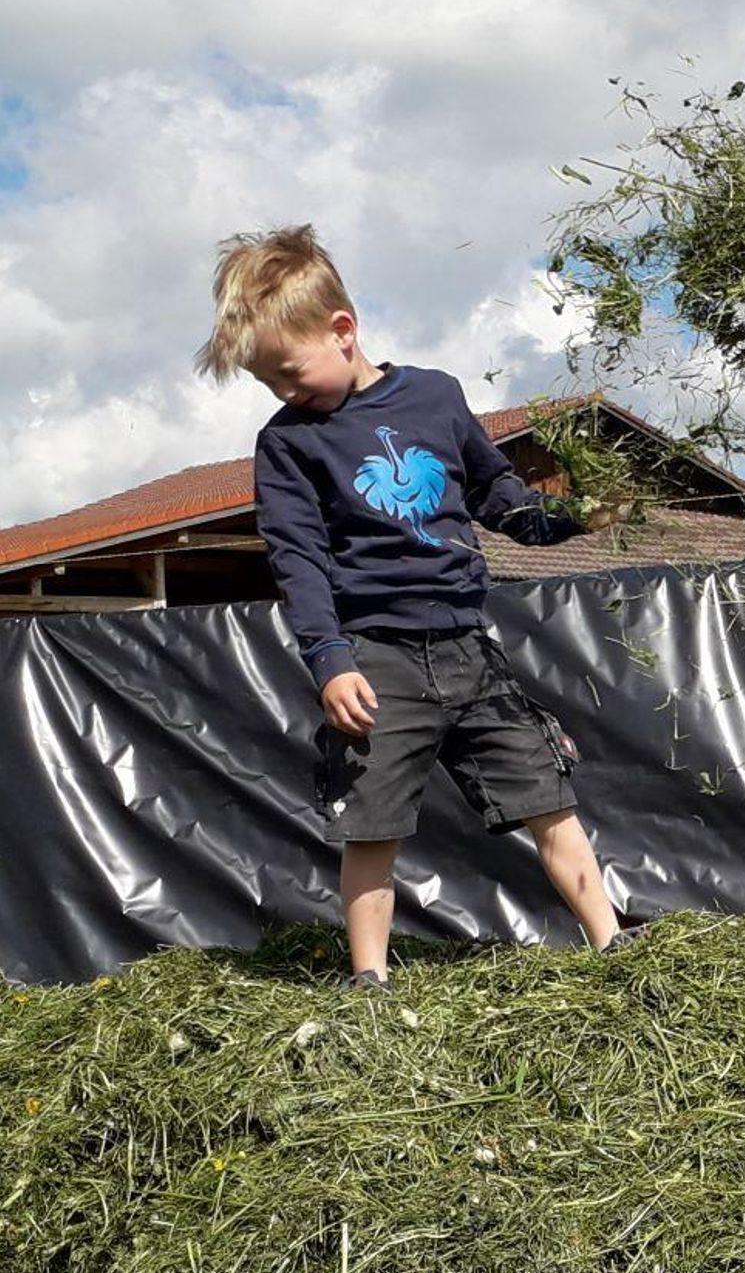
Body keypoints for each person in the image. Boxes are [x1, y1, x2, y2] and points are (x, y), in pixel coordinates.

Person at [196, 224, 637, 988]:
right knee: (371, 820)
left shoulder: (437, 396)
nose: (284, 394)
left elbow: (497, 495)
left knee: (545, 791)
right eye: (268, 384)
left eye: (289, 373)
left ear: (342, 329)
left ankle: (613, 943)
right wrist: (330, 661)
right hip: (376, 657)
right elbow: (299, 561)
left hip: (469, 647)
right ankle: (370, 978)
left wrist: (574, 515)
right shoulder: (289, 445)